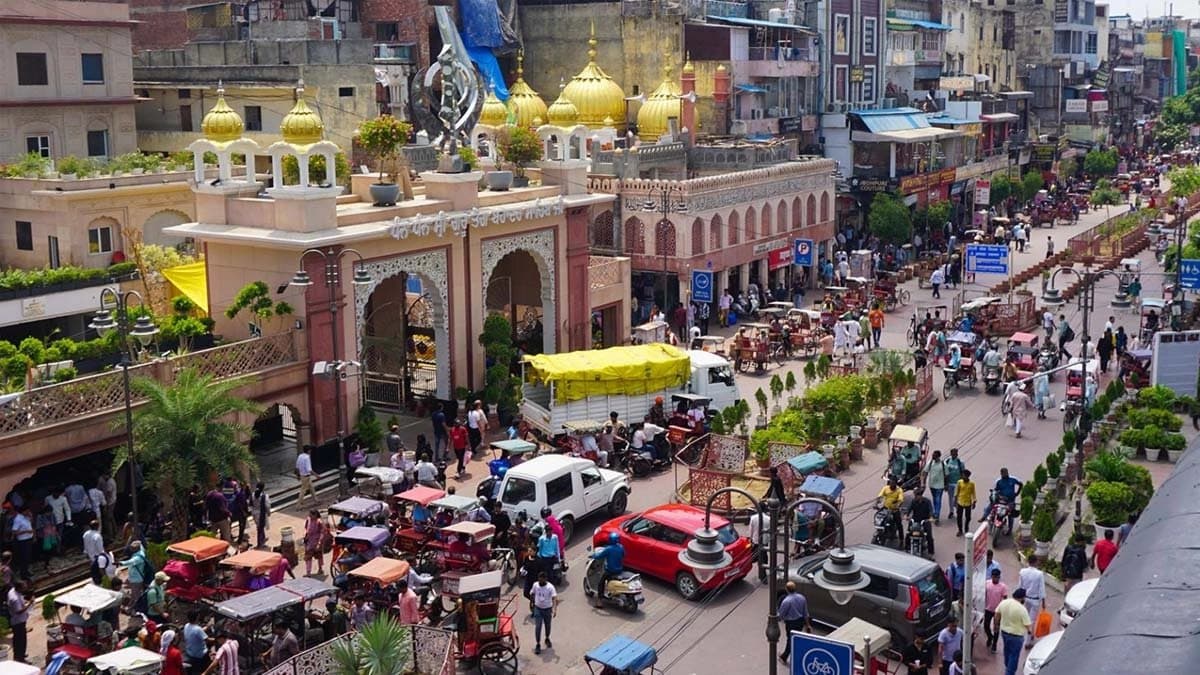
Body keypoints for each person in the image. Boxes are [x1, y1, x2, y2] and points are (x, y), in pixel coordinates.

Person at [994, 587, 1032, 675]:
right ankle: (1009, 672)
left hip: (1004, 633)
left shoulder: (1004, 602)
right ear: (1022, 598)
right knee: (1014, 656)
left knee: (1007, 651)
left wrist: (996, 625)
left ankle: (1008, 667)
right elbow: (1028, 625)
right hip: (1017, 636)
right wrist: (1030, 632)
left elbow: (997, 614)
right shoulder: (1022, 609)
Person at [589, 532, 624, 607]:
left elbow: (599, 556)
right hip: (620, 569)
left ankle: (599, 600)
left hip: (611, 570)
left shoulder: (608, 549)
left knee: (601, 583)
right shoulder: (621, 547)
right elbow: (624, 554)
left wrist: (593, 555)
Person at [1018, 555, 1046, 647]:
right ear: (1035, 562)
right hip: (1035, 600)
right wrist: (1043, 602)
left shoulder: (1022, 572)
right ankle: (1027, 641)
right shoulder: (1039, 574)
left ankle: (1030, 636)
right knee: (1032, 620)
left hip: (1025, 598)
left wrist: (1020, 598)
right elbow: (1041, 589)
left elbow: (1020, 586)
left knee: (1026, 618)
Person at [530, 571, 558, 655]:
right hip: (538, 608)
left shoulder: (550, 587)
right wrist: (531, 603)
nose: (540, 582)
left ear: (545, 579)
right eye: (539, 580)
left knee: (547, 625)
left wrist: (555, 609)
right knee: (538, 626)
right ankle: (538, 644)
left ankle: (547, 638)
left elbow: (554, 598)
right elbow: (532, 594)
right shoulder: (535, 585)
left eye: (542, 580)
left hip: (547, 609)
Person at [983, 567, 1009, 654]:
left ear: (999, 577)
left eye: (997, 577)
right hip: (988, 609)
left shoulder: (1003, 587)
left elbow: (1005, 598)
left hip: (998, 611)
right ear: (991, 576)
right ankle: (990, 637)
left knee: (996, 628)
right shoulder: (987, 584)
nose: (995, 579)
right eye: (994, 577)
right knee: (986, 625)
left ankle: (994, 644)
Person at [6, 581, 32, 663]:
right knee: (21, 640)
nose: (25, 589)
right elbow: (19, 611)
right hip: (18, 621)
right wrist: (29, 604)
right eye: (23, 588)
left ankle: (19, 655)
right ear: (19, 588)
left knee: (17, 639)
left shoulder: (12, 591)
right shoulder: (15, 599)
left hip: (16, 621)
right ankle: (20, 658)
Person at [876, 478, 905, 544]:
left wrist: (898, 505)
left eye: (893, 484)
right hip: (886, 509)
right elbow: (880, 496)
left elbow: (901, 500)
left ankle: (901, 541)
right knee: (880, 520)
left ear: (896, 484)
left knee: (899, 525)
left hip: (894, 510)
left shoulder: (899, 490)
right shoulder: (885, 488)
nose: (892, 485)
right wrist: (876, 503)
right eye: (891, 484)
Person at [908, 488, 935, 555]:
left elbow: (931, 511)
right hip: (915, 520)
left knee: (929, 536)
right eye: (915, 496)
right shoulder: (913, 501)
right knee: (908, 532)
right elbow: (909, 509)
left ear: (920, 496)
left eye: (916, 496)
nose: (915, 497)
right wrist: (906, 515)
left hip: (925, 520)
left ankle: (931, 553)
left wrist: (931, 517)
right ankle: (907, 548)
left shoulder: (927, 501)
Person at [923, 450, 947, 524]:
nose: (933, 456)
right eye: (933, 455)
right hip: (932, 485)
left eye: (934, 455)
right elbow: (925, 472)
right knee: (934, 499)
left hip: (940, 485)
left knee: (938, 499)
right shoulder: (930, 463)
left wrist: (946, 485)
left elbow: (946, 475)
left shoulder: (943, 464)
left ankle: (937, 514)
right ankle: (935, 513)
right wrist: (923, 483)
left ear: (938, 456)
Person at [303, 509, 326, 576]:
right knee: (308, 557)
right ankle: (308, 572)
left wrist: (319, 542)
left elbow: (322, 533)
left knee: (319, 556)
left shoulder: (319, 522)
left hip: (317, 542)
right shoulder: (308, 520)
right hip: (309, 542)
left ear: (315, 515)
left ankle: (320, 569)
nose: (309, 516)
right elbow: (305, 528)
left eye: (311, 515)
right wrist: (305, 536)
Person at [83, 519, 106, 584]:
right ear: (98, 526)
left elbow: (85, 545)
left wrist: (86, 553)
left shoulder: (86, 534)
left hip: (91, 556)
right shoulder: (98, 536)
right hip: (97, 557)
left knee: (94, 571)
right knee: (99, 572)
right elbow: (100, 548)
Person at [955, 470, 976, 537]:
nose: (963, 476)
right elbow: (956, 492)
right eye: (962, 475)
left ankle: (966, 528)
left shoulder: (972, 484)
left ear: (967, 476)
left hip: (968, 503)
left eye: (964, 475)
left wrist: (974, 501)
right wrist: (955, 501)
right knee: (959, 517)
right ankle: (960, 530)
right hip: (960, 502)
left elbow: (973, 493)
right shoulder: (959, 482)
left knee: (968, 517)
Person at [253, 482, 271, 549]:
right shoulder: (264, 496)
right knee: (260, 528)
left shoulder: (252, 494)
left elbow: (250, 503)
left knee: (259, 527)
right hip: (261, 514)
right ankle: (260, 543)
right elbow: (267, 506)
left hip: (255, 513)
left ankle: (262, 540)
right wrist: (269, 512)